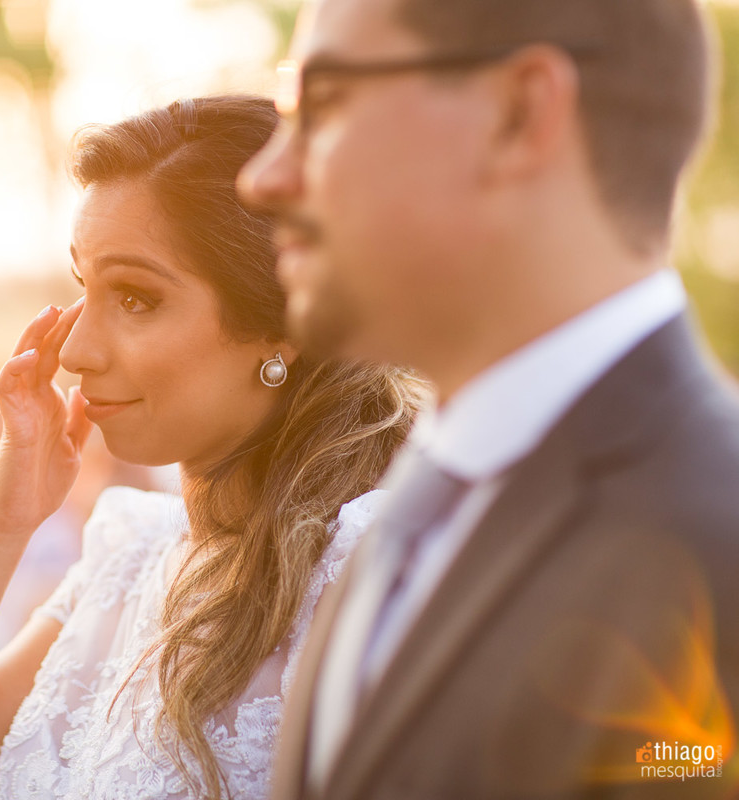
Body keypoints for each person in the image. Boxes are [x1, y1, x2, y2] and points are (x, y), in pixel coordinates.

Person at [0, 95, 423, 800]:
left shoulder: (367, 570)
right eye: (85, 288)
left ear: (288, 321)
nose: (76, 351)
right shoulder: (131, 556)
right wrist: (3, 517)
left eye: (136, 299)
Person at [238, 0, 739, 797]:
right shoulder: (423, 502)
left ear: (519, 113)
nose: (262, 178)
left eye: (320, 107)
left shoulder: (717, 539)